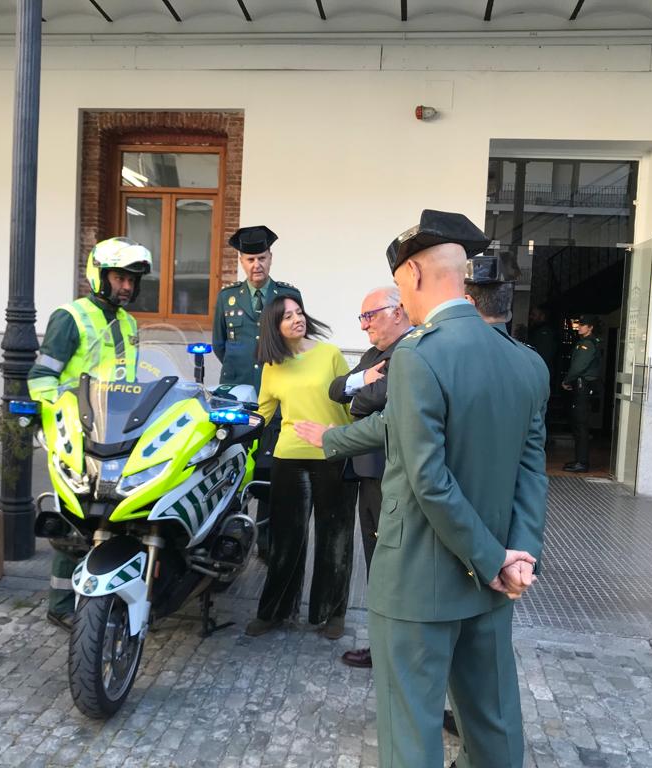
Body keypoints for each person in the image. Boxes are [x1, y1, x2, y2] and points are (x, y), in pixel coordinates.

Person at [296, 210, 549, 768]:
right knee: (494, 726)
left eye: (397, 288)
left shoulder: (417, 355)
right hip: (494, 585)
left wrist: (490, 559)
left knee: (411, 736)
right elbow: (533, 471)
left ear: (412, 274)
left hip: (417, 583)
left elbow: (427, 479)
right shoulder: (526, 363)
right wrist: (516, 557)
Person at [28, 236, 152, 631]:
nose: (127, 287)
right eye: (119, 277)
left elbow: (128, 381)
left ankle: (103, 593)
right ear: (98, 275)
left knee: (115, 513)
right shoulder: (71, 317)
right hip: (78, 438)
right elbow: (43, 377)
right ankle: (62, 602)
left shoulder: (128, 322)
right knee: (75, 519)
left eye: (133, 280)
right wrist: (59, 425)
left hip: (115, 436)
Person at [247, 294, 356, 641]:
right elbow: (262, 414)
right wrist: (230, 437)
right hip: (289, 456)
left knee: (334, 538)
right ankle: (276, 611)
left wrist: (358, 438)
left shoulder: (330, 354)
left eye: (299, 312)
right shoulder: (272, 366)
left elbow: (352, 401)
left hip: (333, 454)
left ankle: (331, 613)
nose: (297, 319)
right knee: (285, 539)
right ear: (274, 327)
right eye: (287, 316)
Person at [327, 286, 412, 669]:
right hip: (367, 469)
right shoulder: (377, 354)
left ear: (397, 312)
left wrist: (360, 392)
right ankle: (382, 646)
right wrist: (363, 384)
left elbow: (372, 401)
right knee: (375, 560)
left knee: (390, 563)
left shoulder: (413, 350)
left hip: (391, 472)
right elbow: (337, 391)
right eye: (361, 318)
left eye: (370, 316)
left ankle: (391, 650)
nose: (364, 327)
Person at [212, 225, 301, 559]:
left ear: (270, 258)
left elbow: (295, 343)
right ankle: (227, 539)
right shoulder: (227, 298)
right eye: (249, 259)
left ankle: (267, 543)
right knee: (229, 468)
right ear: (241, 261)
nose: (256, 265)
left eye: (261, 258)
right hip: (238, 400)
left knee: (269, 472)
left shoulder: (288, 297)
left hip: (276, 400)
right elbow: (219, 346)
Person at [562, 314, 602, 473]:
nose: (580, 327)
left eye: (584, 325)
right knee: (579, 424)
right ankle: (579, 460)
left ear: (590, 327)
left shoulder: (587, 344)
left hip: (583, 386)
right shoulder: (587, 342)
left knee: (581, 424)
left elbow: (579, 367)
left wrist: (566, 380)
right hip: (582, 386)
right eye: (579, 324)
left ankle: (582, 462)